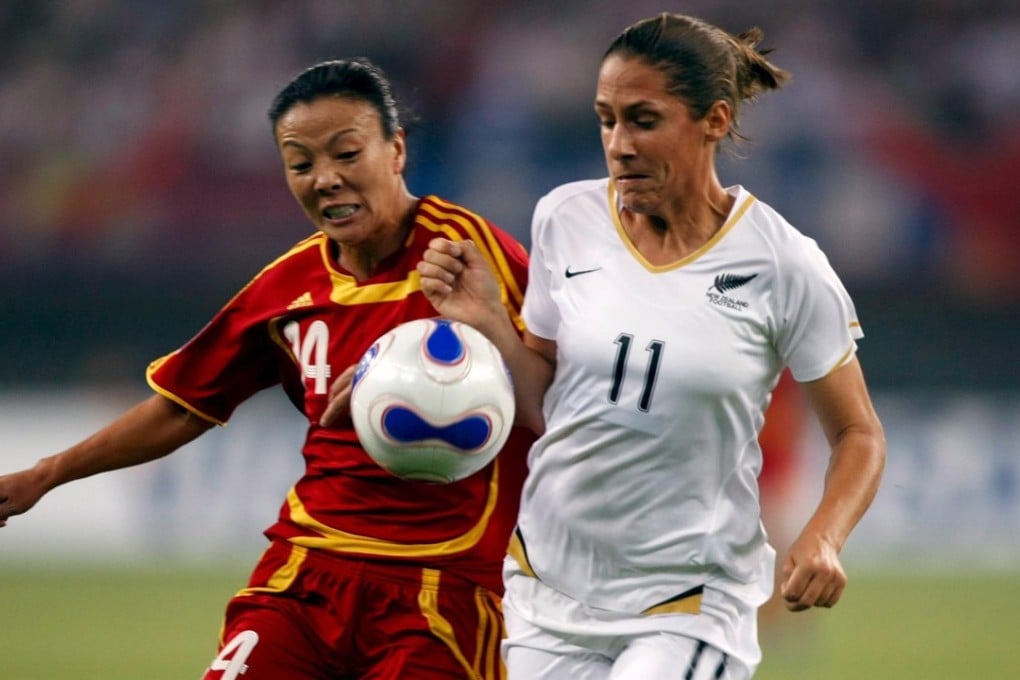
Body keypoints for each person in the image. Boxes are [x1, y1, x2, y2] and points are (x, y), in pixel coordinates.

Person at [0, 58, 533, 680]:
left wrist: (480, 332)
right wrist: (46, 475)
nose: (326, 179)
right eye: (300, 163)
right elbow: (182, 405)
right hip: (305, 579)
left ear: (395, 150)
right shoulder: (288, 288)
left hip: (441, 590)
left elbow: (556, 395)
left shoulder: (468, 254)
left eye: (346, 153)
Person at [417, 12, 886, 679]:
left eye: (643, 119)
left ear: (714, 120)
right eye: (606, 119)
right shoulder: (564, 218)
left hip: (690, 602)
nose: (618, 144)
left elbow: (859, 433)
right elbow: (550, 404)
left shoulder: (784, 264)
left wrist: (823, 535)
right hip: (547, 593)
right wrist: (489, 319)